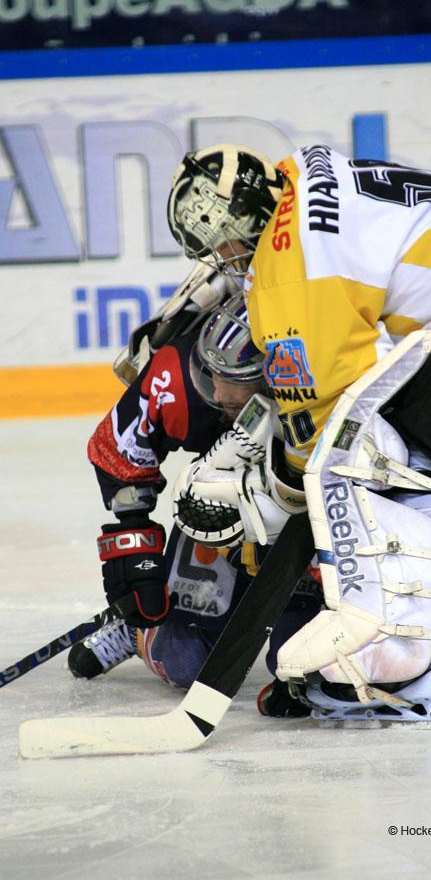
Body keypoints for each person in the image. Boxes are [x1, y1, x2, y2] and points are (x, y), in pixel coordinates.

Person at [166, 143, 431, 724]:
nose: (222, 257)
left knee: (389, 464)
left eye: (218, 243)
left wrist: (267, 494)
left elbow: (324, 429)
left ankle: (391, 671)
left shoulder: (287, 275)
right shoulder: (301, 170)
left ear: (236, 227)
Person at [68, 290, 321, 717]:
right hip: (219, 499)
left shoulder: (321, 388)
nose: (218, 392)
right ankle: (137, 633)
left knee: (306, 665)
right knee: (186, 660)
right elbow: (118, 447)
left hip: (306, 510)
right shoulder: (178, 375)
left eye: (237, 381)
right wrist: (139, 561)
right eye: (211, 372)